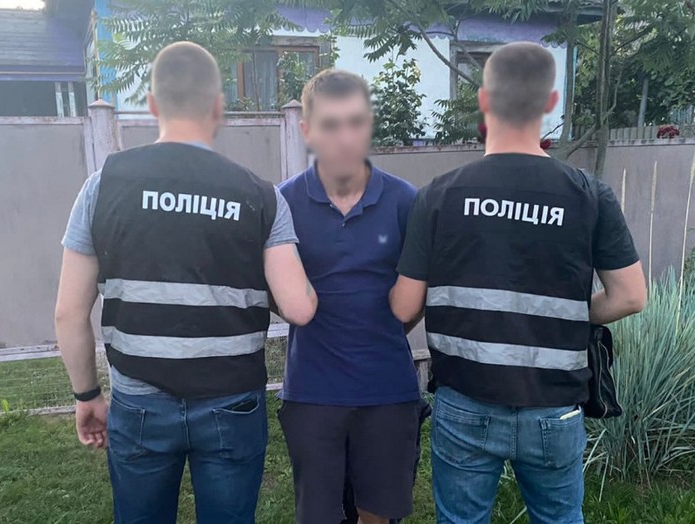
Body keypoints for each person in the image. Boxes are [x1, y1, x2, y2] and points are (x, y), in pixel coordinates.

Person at [54, 42, 317, 524]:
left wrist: (87, 396)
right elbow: (298, 307)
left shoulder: (103, 185)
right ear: (217, 106)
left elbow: (68, 312)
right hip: (232, 404)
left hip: (139, 403)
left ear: (153, 104)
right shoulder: (260, 195)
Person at [390, 42, 647, 524]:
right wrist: (572, 312)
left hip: (465, 400)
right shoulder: (589, 195)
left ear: (484, 101)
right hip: (554, 405)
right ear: (551, 102)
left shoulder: (439, 196)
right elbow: (631, 296)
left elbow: (404, 308)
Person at [277, 69, 422, 524]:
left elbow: (413, 301)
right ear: (308, 131)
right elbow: (276, 293)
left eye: (356, 123)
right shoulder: (283, 204)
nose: (345, 138)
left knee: (377, 516)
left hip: (387, 390)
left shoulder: (405, 202)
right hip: (312, 391)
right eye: (331, 125)